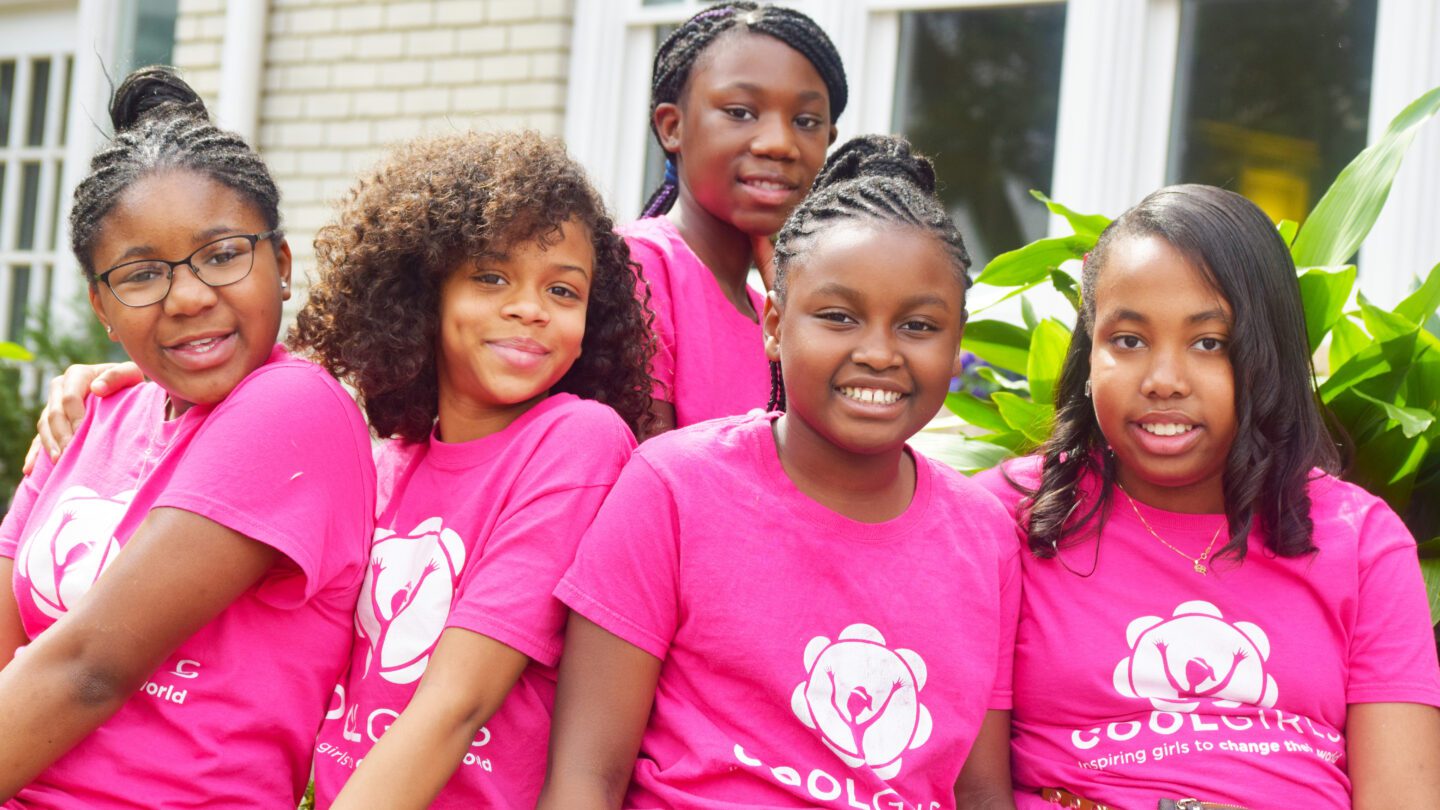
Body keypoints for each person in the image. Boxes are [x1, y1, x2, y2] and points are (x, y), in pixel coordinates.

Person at [538, 135, 1020, 810]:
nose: (878, 353)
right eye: (838, 317)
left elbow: (979, 792)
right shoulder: (674, 488)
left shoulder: (984, 536)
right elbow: (587, 776)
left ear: (957, 341)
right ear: (773, 322)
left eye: (918, 326)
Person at [975, 185, 1440, 809]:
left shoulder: (1361, 541)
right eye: (1129, 341)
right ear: (1089, 355)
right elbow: (970, 790)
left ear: (1267, 356)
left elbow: (1401, 798)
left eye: (1209, 343)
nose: (1164, 381)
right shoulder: (1002, 520)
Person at [0, 67, 375, 806]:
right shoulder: (94, 412)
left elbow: (88, 669)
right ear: (102, 306)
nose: (190, 296)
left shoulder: (296, 408)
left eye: (224, 254)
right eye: (141, 275)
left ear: (282, 265)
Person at [288, 130, 654, 809]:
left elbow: (458, 702)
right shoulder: (385, 461)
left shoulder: (576, 441)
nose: (528, 308)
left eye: (563, 291)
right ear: (425, 294)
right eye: (491, 277)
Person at [628, 1, 847, 434]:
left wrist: (788, 283)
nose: (779, 144)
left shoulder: (772, 311)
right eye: (740, 112)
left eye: (805, 121)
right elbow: (651, 478)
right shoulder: (638, 267)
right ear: (672, 126)